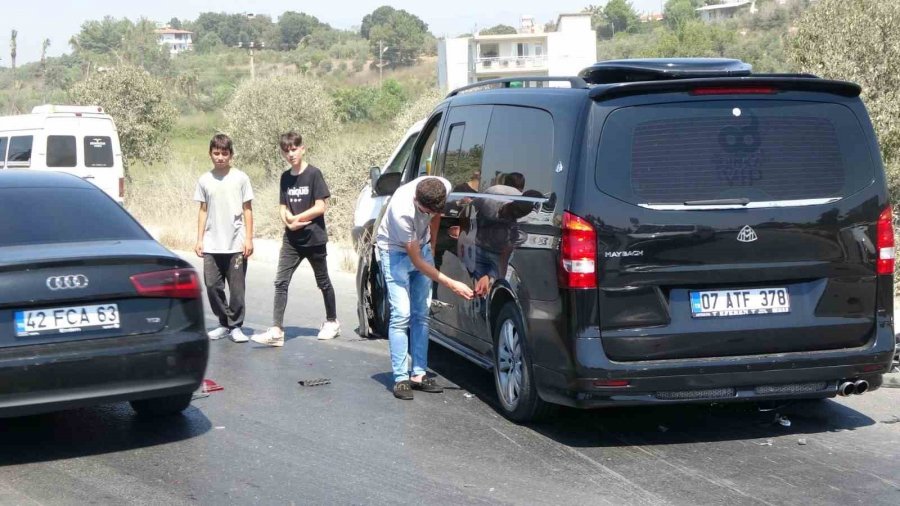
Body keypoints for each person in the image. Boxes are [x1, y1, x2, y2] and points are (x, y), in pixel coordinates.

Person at [375, 176, 474, 400]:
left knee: (421, 314)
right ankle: (401, 378)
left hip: (422, 247)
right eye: (424, 211)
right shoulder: (402, 211)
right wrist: (452, 284)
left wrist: (432, 245)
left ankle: (419, 374)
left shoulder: (442, 186)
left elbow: (435, 215)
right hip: (395, 251)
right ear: (416, 201)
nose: (427, 214)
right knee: (402, 314)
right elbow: (417, 261)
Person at [252, 131, 339, 347]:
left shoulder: (314, 174)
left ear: (302, 149)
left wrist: (298, 218)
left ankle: (332, 322)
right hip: (291, 240)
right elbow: (282, 206)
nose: (291, 154)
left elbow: (321, 206)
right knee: (281, 282)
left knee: (323, 281)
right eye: (286, 151)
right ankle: (276, 331)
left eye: (294, 149)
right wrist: (288, 221)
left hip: (314, 238)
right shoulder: (285, 177)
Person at [194, 133, 254, 342]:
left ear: (231, 155)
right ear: (210, 154)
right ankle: (224, 323)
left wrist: (249, 239)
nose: (220, 157)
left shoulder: (241, 178)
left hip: (236, 243)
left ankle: (235, 326)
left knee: (237, 290)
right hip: (212, 243)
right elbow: (203, 210)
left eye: (224, 153)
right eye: (216, 153)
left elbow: (248, 209)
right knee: (212, 286)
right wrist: (199, 239)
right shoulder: (204, 180)